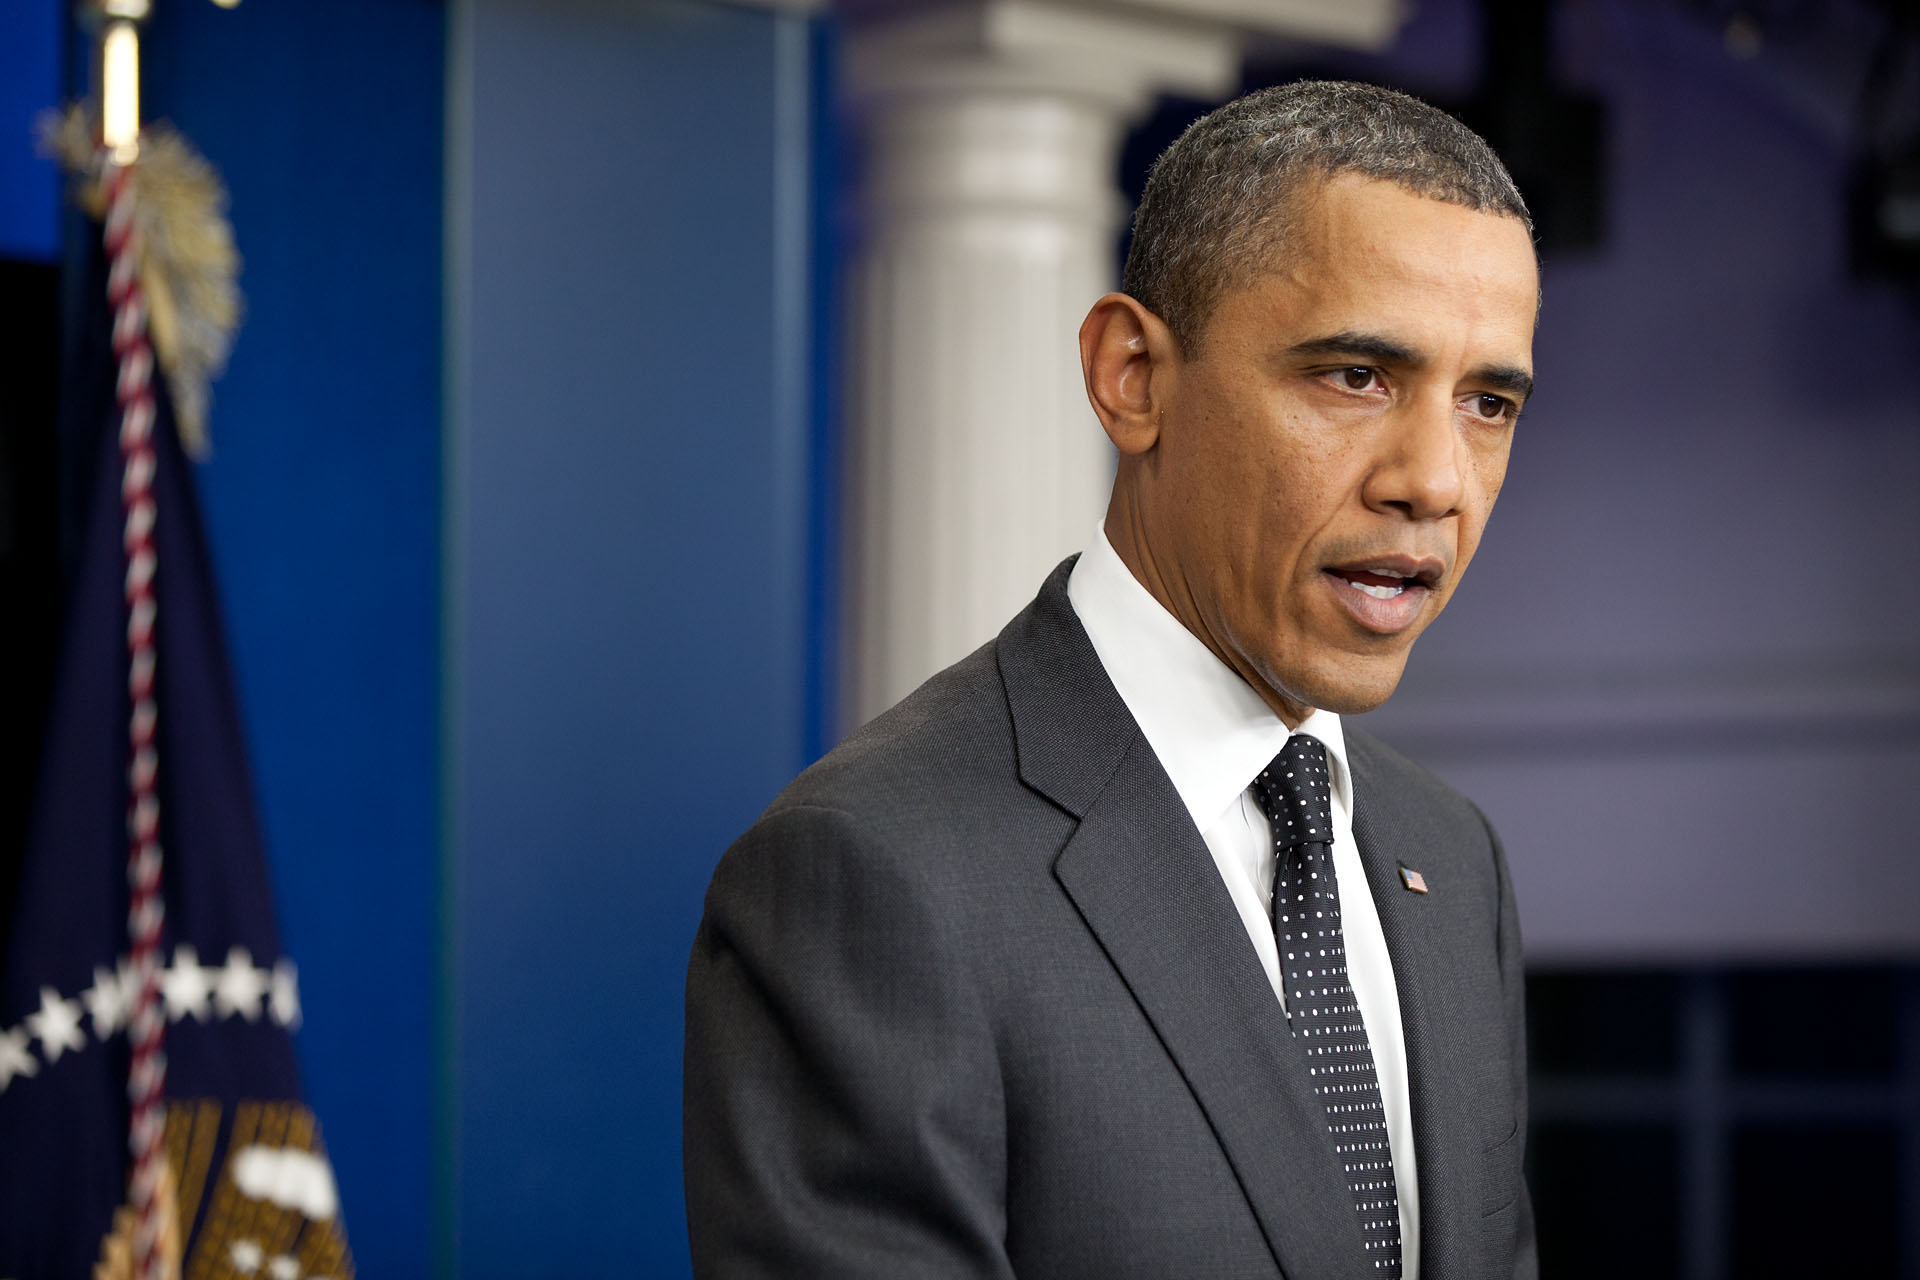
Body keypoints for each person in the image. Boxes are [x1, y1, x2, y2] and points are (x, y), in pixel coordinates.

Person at [685, 80, 1540, 1280]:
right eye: (1356, 376)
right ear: (1132, 376)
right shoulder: (870, 871)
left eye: (1488, 402)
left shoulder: (1449, 857)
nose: (1434, 479)